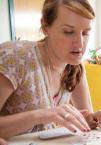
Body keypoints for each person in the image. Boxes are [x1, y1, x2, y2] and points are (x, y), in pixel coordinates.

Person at [0, 0, 94, 138]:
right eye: (68, 32)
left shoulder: (75, 67)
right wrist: (42, 115)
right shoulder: (15, 58)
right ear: (45, 26)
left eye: (85, 33)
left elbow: (87, 119)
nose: (80, 43)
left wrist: (92, 119)